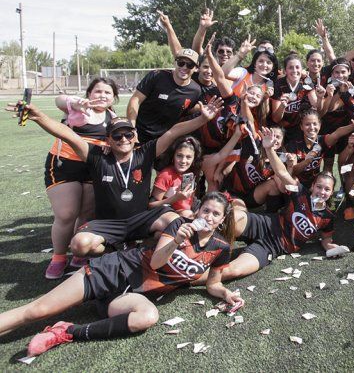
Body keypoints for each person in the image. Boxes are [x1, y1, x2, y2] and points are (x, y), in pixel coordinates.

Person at [0, 192, 242, 357]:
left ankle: (67, 331)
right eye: (205, 210)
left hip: (133, 294)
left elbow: (213, 284)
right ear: (197, 211)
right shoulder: (179, 226)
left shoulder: (221, 248)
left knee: (147, 317)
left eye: (215, 214)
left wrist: (226, 294)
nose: (208, 217)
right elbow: (157, 262)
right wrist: (176, 241)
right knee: (37, 311)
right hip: (114, 270)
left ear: (222, 220)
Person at [13, 98, 224, 257]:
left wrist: (202, 119)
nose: (124, 139)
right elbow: (68, 135)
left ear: (135, 137)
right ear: (108, 140)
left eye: (128, 134)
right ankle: (113, 249)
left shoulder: (145, 153)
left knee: (175, 221)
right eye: (117, 135)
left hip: (141, 219)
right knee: (79, 246)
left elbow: (173, 132)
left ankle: (151, 250)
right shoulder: (97, 156)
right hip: (108, 224)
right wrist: (38, 116)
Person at [198, 128, 343, 282]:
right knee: (233, 218)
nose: (322, 192)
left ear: (331, 192)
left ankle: (189, 278)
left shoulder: (327, 217)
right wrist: (269, 149)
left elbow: (326, 238)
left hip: (274, 246)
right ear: (312, 186)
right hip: (266, 224)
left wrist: (329, 246)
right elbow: (282, 173)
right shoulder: (300, 193)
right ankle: (191, 245)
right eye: (319, 187)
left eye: (327, 189)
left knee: (234, 270)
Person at [42, 78, 119, 278]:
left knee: (86, 214)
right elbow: (59, 100)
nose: (102, 96)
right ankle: (58, 257)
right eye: (98, 91)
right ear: (89, 94)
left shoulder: (112, 118)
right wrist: (74, 103)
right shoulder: (78, 108)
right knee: (67, 214)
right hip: (64, 165)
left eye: (107, 93)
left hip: (93, 169)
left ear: (113, 98)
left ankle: (78, 255)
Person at [126, 49, 203, 144]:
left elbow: (188, 110)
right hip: (139, 134)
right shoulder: (156, 76)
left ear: (196, 68)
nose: (184, 67)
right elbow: (136, 100)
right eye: (181, 63)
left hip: (164, 140)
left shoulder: (195, 91)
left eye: (190, 65)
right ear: (175, 63)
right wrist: (131, 129)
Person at [150, 136, 203, 218]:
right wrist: (175, 198)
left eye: (188, 157)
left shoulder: (190, 174)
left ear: (194, 159)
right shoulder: (166, 175)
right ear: (173, 156)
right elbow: (151, 205)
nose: (183, 161)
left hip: (188, 211)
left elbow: (190, 201)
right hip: (168, 215)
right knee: (187, 214)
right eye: (179, 156)